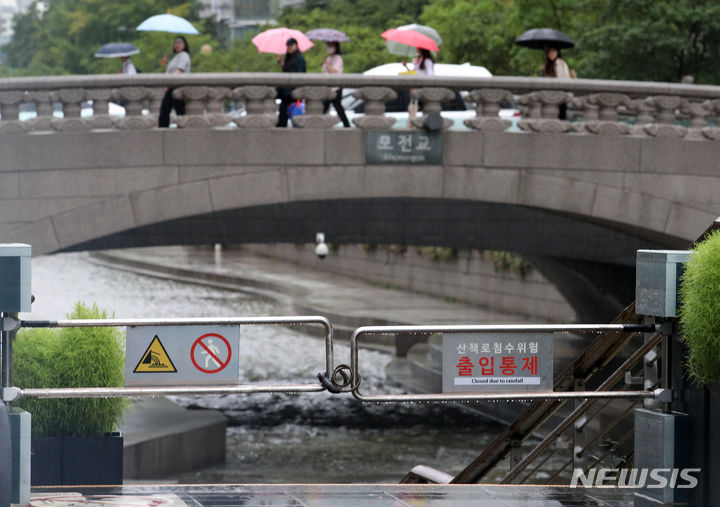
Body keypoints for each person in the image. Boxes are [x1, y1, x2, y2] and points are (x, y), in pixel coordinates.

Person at [158, 36, 191, 128]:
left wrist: (168, 83)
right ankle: (166, 129)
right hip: (172, 86)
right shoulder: (176, 57)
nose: (177, 45)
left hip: (178, 86)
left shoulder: (184, 55)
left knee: (177, 110)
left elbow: (179, 70)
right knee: (167, 109)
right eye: (176, 42)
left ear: (185, 45)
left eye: (180, 43)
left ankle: (178, 128)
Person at [276, 38, 306, 128]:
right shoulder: (289, 58)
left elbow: (299, 73)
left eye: (291, 45)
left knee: (293, 114)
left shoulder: (299, 58)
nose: (289, 48)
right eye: (288, 46)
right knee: (283, 114)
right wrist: (281, 63)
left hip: (293, 91)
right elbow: (287, 70)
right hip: (286, 92)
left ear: (296, 45)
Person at [321, 42, 350, 128]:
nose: (329, 48)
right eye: (328, 46)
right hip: (328, 88)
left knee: (337, 107)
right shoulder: (329, 58)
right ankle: (346, 125)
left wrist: (326, 63)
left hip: (336, 88)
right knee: (327, 107)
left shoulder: (338, 58)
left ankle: (346, 125)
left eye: (331, 46)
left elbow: (335, 72)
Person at [541, 46, 571, 119]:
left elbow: (565, 79)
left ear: (557, 52)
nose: (551, 54)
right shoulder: (546, 65)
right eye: (549, 52)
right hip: (548, 94)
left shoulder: (561, 63)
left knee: (561, 116)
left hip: (560, 94)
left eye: (554, 51)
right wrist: (543, 70)